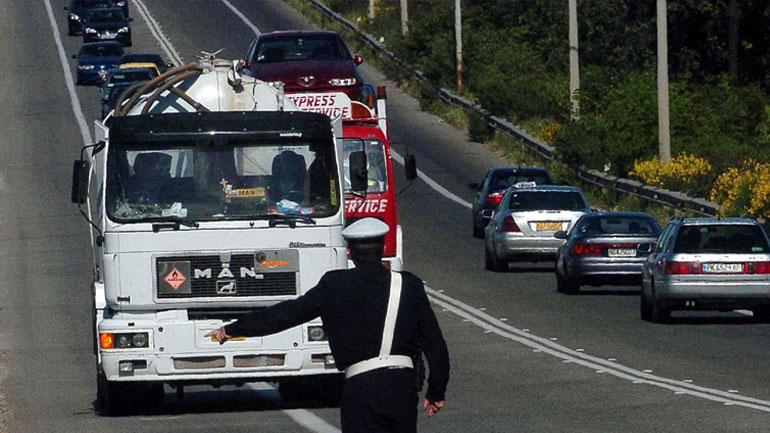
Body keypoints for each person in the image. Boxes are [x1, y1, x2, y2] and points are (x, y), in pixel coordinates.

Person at [206, 218, 450, 432]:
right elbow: (435, 344)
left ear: (350, 252)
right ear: (383, 248)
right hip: (401, 388)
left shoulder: (335, 285)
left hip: (361, 388)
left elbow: (287, 314)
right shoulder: (409, 285)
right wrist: (436, 391)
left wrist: (234, 329)